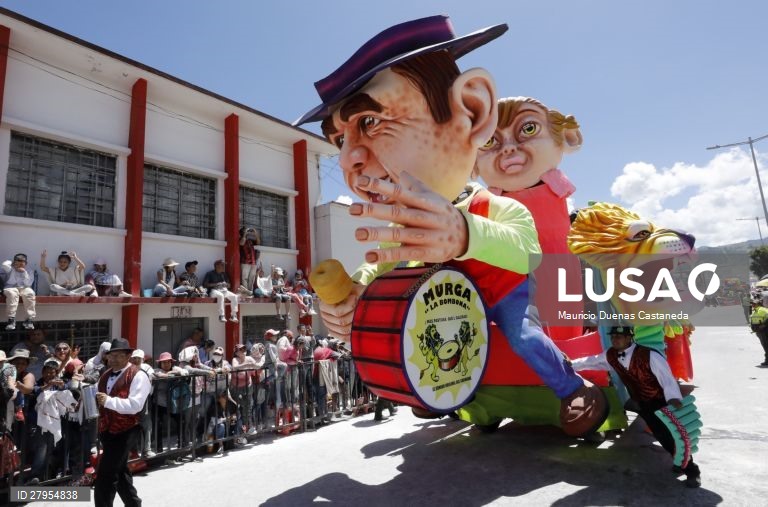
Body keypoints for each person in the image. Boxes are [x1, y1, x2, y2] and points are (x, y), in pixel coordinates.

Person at [296, 15, 606, 434]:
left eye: (371, 122)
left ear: (471, 111)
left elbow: (526, 248)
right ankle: (452, 397)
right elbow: (385, 265)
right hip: (458, 306)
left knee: (525, 337)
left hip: (508, 293)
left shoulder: (489, 202)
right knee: (431, 341)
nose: (350, 159)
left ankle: (573, 389)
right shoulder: (404, 226)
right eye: (339, 141)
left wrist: (463, 233)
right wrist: (353, 293)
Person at [474, 96, 584, 340]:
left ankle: (568, 350)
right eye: (491, 140)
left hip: (558, 263)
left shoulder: (556, 187)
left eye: (528, 128)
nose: (508, 148)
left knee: (561, 310)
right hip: (508, 272)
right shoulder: (487, 202)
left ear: (566, 136)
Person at [572, 326, 701, 487]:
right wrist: (571, 364)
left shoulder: (650, 355)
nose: (615, 339)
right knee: (662, 435)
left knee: (673, 435)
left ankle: (692, 471)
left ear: (629, 338)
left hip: (659, 401)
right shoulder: (611, 355)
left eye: (619, 337)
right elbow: (592, 361)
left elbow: (666, 377)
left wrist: (673, 397)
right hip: (642, 403)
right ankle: (680, 462)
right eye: (613, 337)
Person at [93, 337, 151, 507]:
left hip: (127, 429)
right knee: (120, 471)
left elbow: (135, 406)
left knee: (105, 476)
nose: (114, 359)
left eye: (119, 356)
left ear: (128, 356)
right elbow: (98, 398)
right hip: (107, 430)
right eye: (111, 356)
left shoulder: (139, 376)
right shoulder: (104, 376)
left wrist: (108, 401)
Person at [129, 349, 155, 459]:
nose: (135, 360)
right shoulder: (127, 368)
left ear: (142, 359)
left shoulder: (147, 368)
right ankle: (132, 451)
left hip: (144, 400)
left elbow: (151, 377)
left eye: (138, 358)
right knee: (131, 425)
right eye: (134, 358)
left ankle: (146, 450)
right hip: (130, 399)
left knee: (146, 424)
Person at [3, 253, 36, 330]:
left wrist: (24, 272)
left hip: (24, 288)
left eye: (23, 261)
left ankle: (29, 319)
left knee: (30, 293)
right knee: (12, 294)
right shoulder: (9, 268)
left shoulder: (29, 271)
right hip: (10, 287)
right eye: (18, 261)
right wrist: (14, 265)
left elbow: (28, 283)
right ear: (14, 262)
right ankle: (11, 320)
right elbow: (4, 264)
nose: (21, 263)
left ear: (26, 263)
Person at [239, 226, 262, 295]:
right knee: (244, 278)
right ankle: (245, 292)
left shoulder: (250, 241)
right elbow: (241, 243)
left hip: (253, 262)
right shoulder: (241, 239)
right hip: (245, 262)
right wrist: (244, 235)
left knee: (252, 278)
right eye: (245, 231)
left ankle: (250, 292)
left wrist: (256, 233)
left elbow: (258, 242)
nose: (248, 233)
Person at [749, 298, 768, 367]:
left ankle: (767, 360)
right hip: (759, 332)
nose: (752, 305)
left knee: (766, 346)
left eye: (754, 303)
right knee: (765, 346)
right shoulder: (755, 311)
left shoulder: (762, 310)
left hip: (764, 331)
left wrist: (763, 325)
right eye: (752, 304)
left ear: (758, 304)